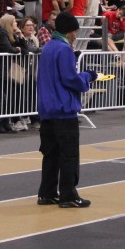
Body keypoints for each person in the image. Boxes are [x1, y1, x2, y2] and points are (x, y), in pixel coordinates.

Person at [36, 11, 97, 208]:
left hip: (47, 110)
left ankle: (47, 193)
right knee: (69, 155)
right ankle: (68, 195)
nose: (75, 35)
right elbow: (70, 79)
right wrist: (88, 76)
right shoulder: (64, 49)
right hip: (63, 110)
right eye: (74, 32)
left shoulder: (48, 47)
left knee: (50, 155)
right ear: (69, 31)